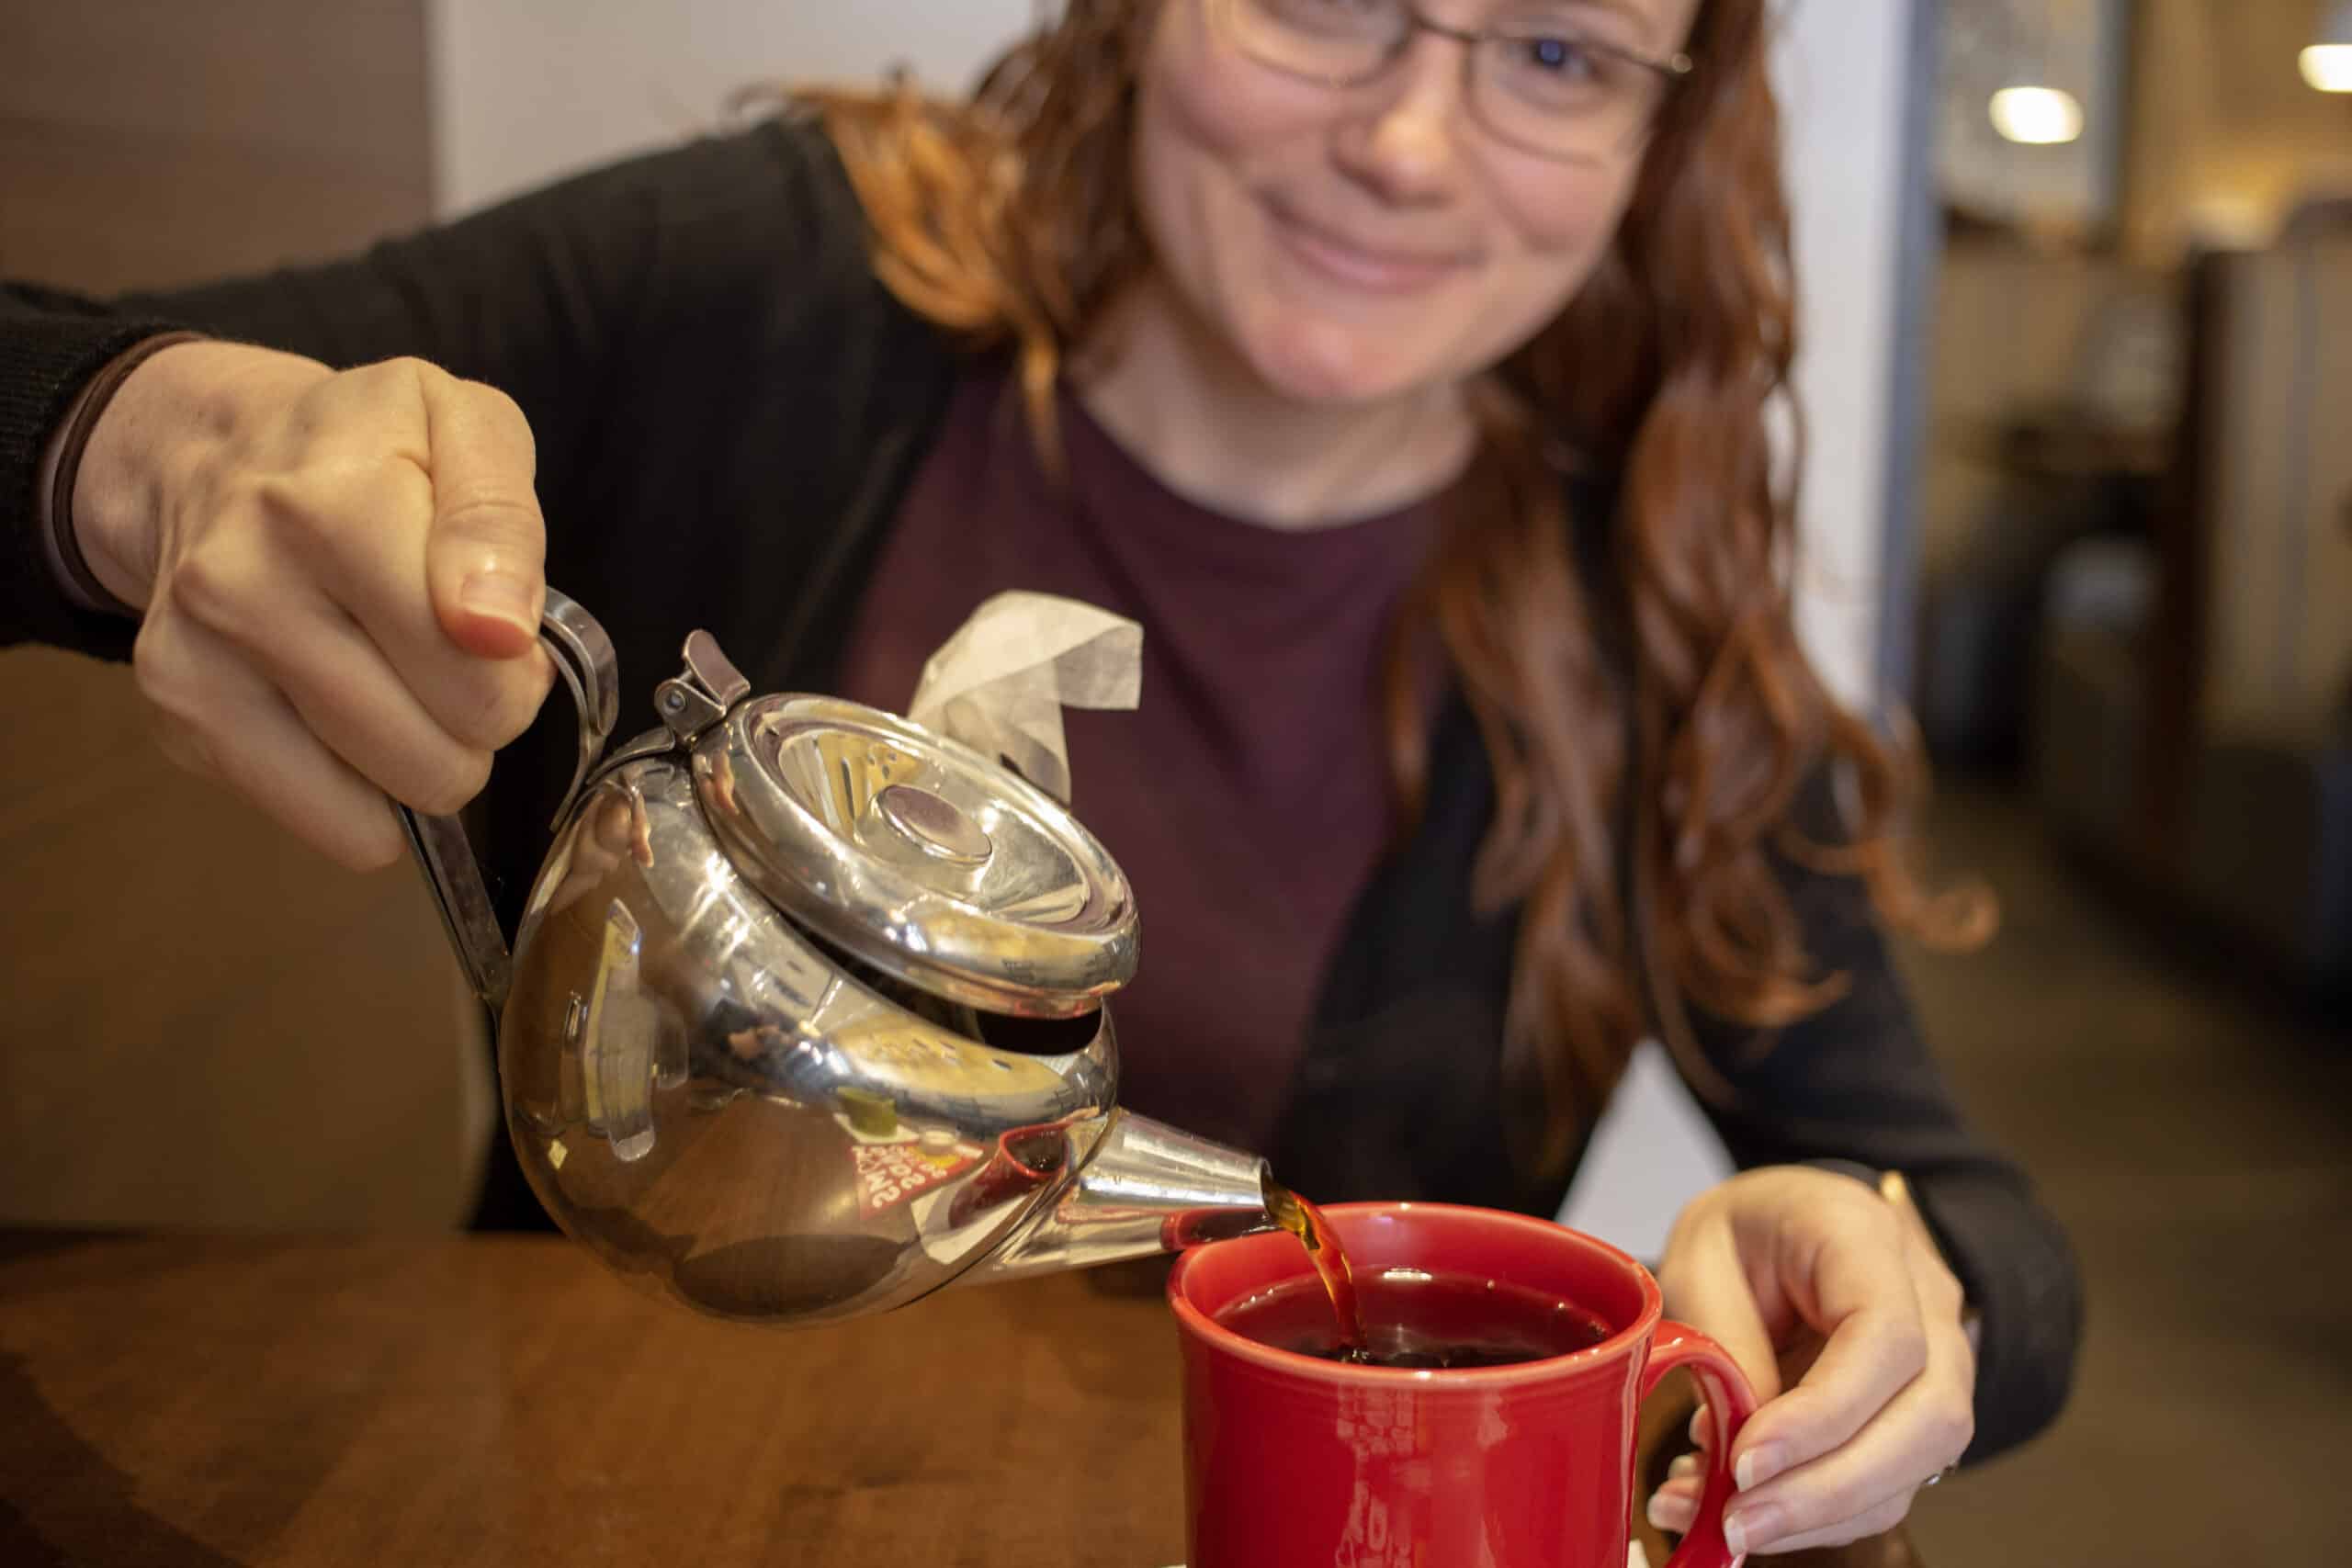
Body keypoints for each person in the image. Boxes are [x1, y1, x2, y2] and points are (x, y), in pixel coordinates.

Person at [0, 0, 2078, 1553]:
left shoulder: (1644, 624)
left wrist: (1903, 1278)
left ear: (1661, 129)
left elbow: (1988, 1227)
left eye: (1553, 48)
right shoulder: (773, 293)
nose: (1411, 144)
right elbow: (57, 383)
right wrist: (155, 451)